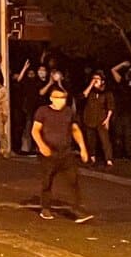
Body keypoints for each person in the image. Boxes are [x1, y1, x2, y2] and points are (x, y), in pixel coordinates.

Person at [32, 85, 93, 223]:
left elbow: (75, 130)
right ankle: (45, 208)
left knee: (73, 180)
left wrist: (83, 148)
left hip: (65, 152)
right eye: (58, 98)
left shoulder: (68, 112)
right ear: (51, 98)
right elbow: (35, 130)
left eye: (63, 98)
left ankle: (77, 209)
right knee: (47, 180)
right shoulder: (43, 111)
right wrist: (42, 146)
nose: (61, 101)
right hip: (48, 153)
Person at [78, 72, 115, 168]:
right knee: (91, 140)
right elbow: (82, 96)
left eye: (97, 78)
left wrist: (107, 120)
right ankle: (92, 158)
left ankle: (109, 160)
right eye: (94, 78)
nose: (95, 80)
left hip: (101, 119)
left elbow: (110, 107)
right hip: (89, 118)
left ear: (102, 81)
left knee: (105, 140)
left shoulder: (107, 92)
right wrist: (91, 85)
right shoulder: (90, 91)